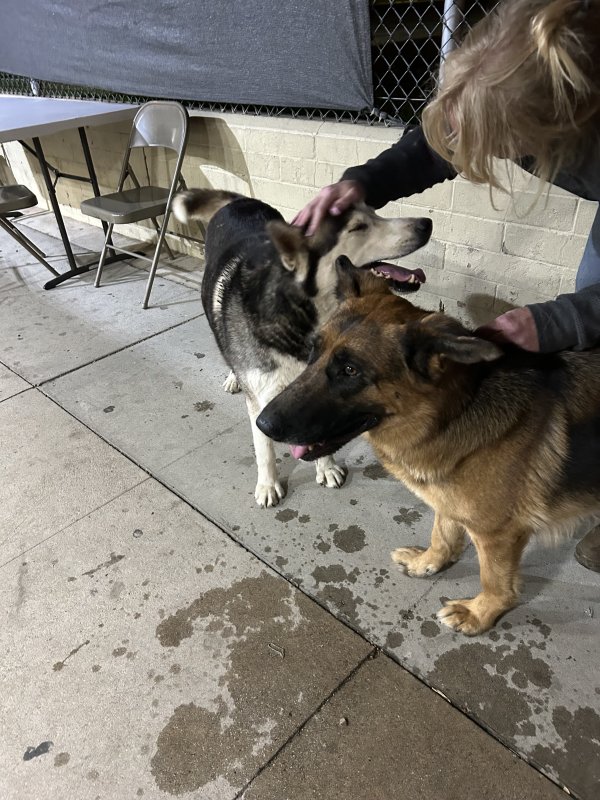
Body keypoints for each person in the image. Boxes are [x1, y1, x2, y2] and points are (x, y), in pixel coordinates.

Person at [294, 0, 600, 572]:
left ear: (558, 128)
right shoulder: (513, 51)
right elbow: (441, 140)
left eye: (495, 145)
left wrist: (564, 319)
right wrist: (360, 184)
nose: (468, 152)